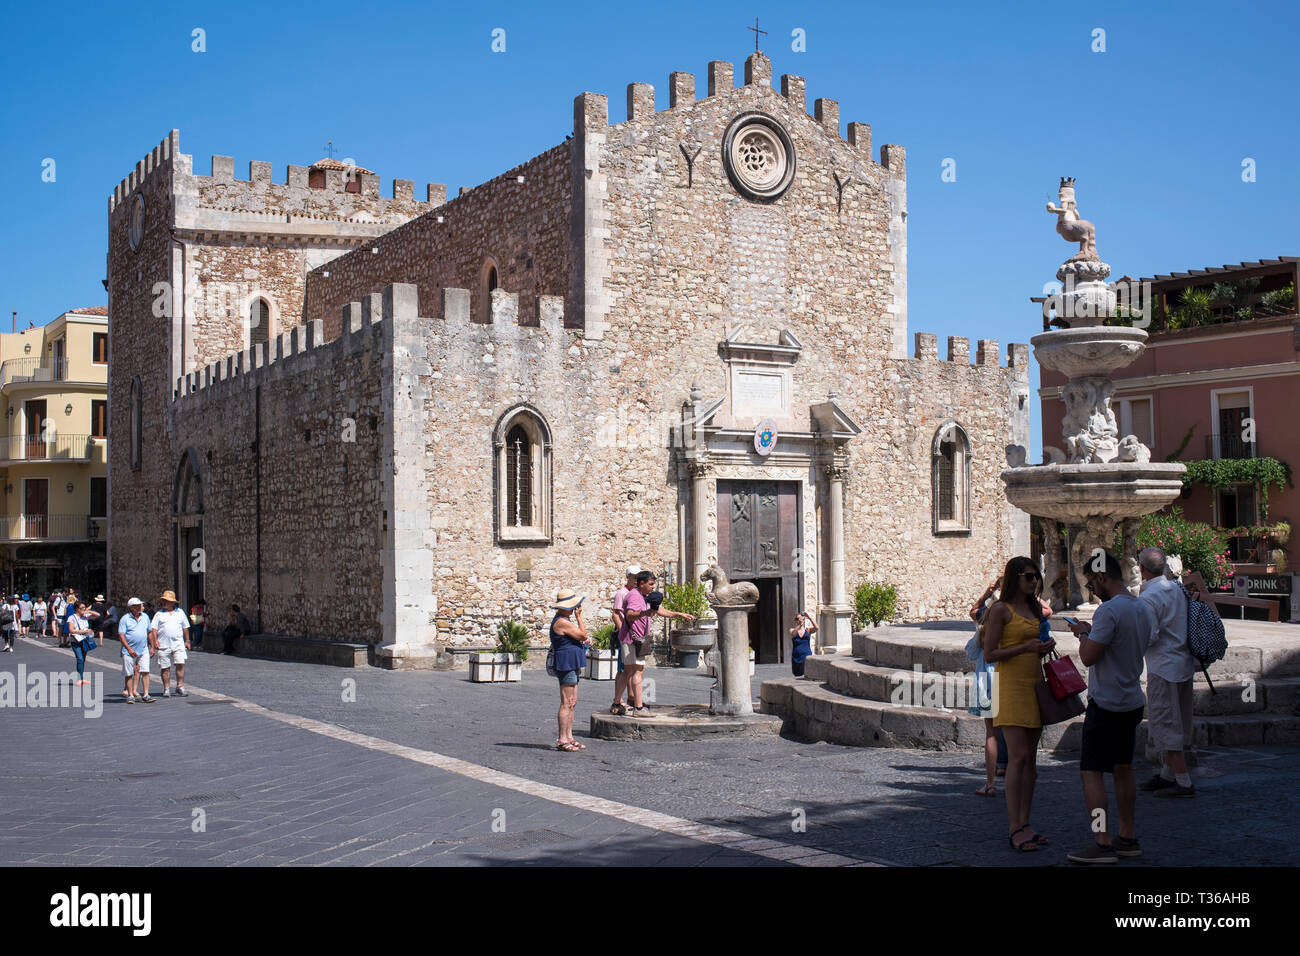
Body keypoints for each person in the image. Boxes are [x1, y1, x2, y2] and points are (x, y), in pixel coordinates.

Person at [1065, 550, 1156, 864]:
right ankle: (1127, 836)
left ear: (1102, 576)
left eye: (1091, 583)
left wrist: (1083, 633)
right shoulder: (1142, 608)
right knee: (1123, 769)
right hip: (1131, 699)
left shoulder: (1109, 611)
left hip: (1107, 702)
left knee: (1091, 772)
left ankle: (1101, 840)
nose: (1092, 589)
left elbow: (1090, 657)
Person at [983, 556, 1056, 852]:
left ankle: (1026, 822)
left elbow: (1032, 648)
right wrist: (1025, 647)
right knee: (1019, 756)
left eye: (1036, 576)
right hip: (1010, 687)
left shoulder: (1034, 608)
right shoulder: (1001, 610)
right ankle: (1015, 827)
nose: (1034, 581)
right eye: (1028, 576)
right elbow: (989, 654)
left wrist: (1041, 649)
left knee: (1032, 762)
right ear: (1015, 577)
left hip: (1035, 683)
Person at [1137, 547, 1197, 798]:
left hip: (1163, 666)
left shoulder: (1148, 598)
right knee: (1180, 719)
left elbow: (1149, 635)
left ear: (1141, 570)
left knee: (1166, 722)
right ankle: (1167, 774)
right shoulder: (1176, 589)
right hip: (1183, 662)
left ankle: (1183, 782)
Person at [620, 570, 695, 716]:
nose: (653, 587)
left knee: (629, 671)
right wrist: (644, 614)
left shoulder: (644, 595)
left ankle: (620, 702)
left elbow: (658, 610)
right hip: (633, 639)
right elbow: (629, 615)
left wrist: (678, 614)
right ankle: (638, 708)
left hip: (634, 638)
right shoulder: (635, 596)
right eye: (651, 584)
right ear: (641, 584)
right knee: (638, 671)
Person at [968, 578, 1008, 795]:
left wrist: (986, 593)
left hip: (987, 684)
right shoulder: (1014, 623)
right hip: (1010, 679)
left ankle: (990, 784)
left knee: (991, 733)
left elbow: (970, 652)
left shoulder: (984, 627)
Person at [549, 588, 591, 752]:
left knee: (572, 702)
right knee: (567, 702)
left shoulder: (565, 620)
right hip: (566, 663)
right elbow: (582, 635)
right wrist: (579, 617)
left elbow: (578, 639)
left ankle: (569, 736)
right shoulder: (561, 622)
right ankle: (562, 738)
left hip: (572, 661)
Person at [609, 565, 640, 716]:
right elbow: (616, 614)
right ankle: (618, 700)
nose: (636, 580)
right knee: (624, 669)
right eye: (633, 576)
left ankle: (632, 698)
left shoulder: (637, 593)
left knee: (633, 669)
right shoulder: (622, 593)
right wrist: (624, 631)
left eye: (637, 577)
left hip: (635, 636)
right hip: (626, 636)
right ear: (628, 577)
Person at [150, 589, 192, 698]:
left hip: (178, 643)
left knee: (180, 664)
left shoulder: (180, 612)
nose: (163, 603)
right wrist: (155, 641)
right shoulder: (159, 614)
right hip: (163, 644)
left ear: (172, 602)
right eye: (163, 600)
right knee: (165, 667)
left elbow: (185, 627)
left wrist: (187, 641)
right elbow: (154, 629)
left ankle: (180, 686)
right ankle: (166, 688)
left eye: (166, 601)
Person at [118, 597, 153, 703]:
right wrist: (128, 648)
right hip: (128, 651)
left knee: (145, 671)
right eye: (137, 606)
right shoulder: (125, 619)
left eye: (140, 605)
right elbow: (121, 635)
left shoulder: (145, 617)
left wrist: (152, 646)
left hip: (143, 649)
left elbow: (149, 632)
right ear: (131, 607)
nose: (139, 607)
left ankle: (146, 694)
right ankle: (130, 694)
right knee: (129, 673)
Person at [67, 602, 95, 687]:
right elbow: (71, 630)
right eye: (82, 608)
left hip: (84, 640)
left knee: (83, 659)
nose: (83, 609)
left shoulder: (85, 616)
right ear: (77, 609)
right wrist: (85, 631)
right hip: (76, 640)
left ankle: (82, 678)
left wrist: (88, 610)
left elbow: (98, 615)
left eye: (84, 607)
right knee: (79, 659)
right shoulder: (71, 618)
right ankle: (79, 679)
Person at [789, 611, 818, 677]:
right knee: (796, 675)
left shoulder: (808, 630)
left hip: (806, 656)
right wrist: (800, 625)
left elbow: (816, 628)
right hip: (796, 657)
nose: (797, 620)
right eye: (796, 619)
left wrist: (809, 618)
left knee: (805, 675)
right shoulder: (792, 630)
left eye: (799, 619)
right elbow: (793, 634)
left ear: (803, 620)